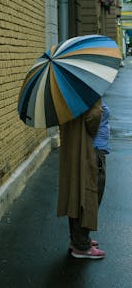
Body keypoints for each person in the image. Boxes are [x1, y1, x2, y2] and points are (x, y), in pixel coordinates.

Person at [57, 99, 109, 259]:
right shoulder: (86, 92)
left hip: (78, 149)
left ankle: (79, 240)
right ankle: (81, 246)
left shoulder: (67, 95)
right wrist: (99, 106)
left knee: (77, 194)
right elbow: (93, 118)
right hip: (90, 149)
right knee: (89, 195)